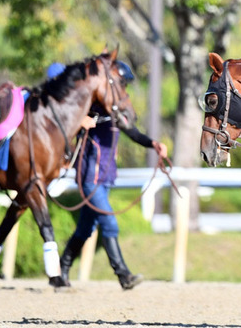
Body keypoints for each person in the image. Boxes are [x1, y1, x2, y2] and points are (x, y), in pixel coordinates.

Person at [47, 61, 168, 290]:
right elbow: (61, 116)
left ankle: (61, 271)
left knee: (84, 229)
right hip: (90, 177)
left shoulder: (113, 111)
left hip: (106, 176)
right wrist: (79, 121)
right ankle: (123, 275)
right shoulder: (88, 105)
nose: (124, 89)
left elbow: (132, 133)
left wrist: (154, 144)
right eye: (123, 84)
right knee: (110, 224)